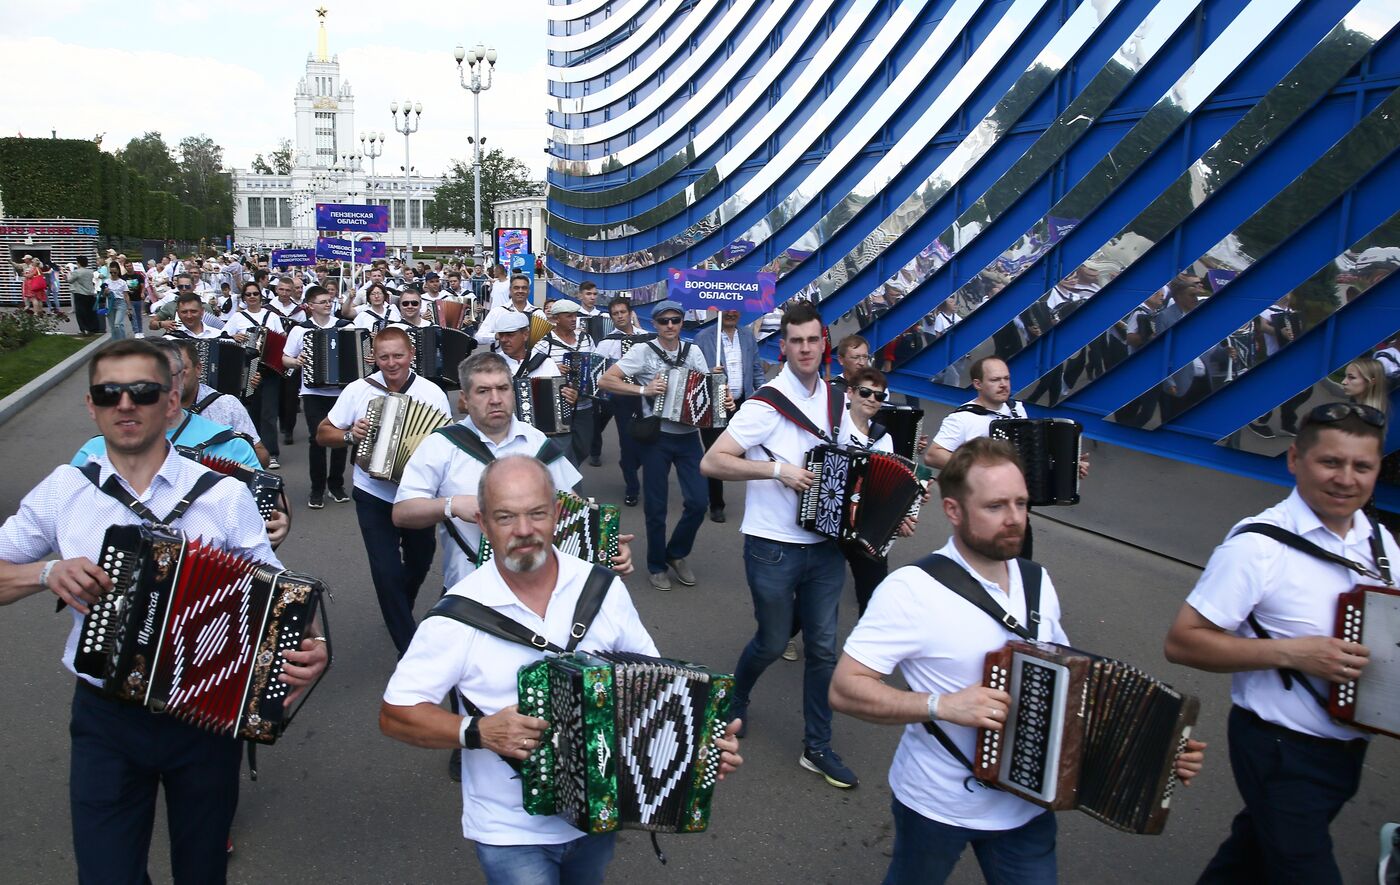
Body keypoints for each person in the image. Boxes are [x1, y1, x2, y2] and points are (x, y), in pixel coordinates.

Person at [0, 338, 325, 883]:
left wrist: (309, 647)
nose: (125, 405)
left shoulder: (222, 495)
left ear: (171, 401)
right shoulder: (66, 490)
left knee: (201, 870)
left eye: (143, 392)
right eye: (108, 393)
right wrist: (45, 572)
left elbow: (279, 597)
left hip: (205, 715)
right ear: (91, 406)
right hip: (106, 716)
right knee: (106, 874)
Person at [831, 438, 1204, 883]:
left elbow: (1071, 689)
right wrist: (942, 706)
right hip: (937, 803)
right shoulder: (912, 590)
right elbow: (846, 687)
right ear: (953, 511)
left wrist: (1155, 750)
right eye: (995, 506)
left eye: (1021, 503)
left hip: (1026, 808)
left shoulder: (1036, 580)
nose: (1014, 519)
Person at [379, 454, 742, 883]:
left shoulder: (600, 588)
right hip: (508, 830)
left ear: (556, 514)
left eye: (536, 513)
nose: (524, 530)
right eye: (505, 517)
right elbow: (395, 714)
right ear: (482, 522)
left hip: (598, 818)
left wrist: (696, 746)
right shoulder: (456, 617)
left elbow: (658, 685)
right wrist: (476, 732)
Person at [1164, 402, 1397, 885]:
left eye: (1362, 467)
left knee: (1249, 858)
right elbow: (1184, 642)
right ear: (1295, 460)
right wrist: (1294, 653)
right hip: (1278, 748)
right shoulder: (1257, 547)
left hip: (1346, 748)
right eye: (1330, 462)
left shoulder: (1379, 542)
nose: (1346, 479)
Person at [699, 301, 864, 789]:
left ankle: (818, 746)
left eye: (813, 339)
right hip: (772, 545)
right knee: (772, 641)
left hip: (826, 545)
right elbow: (714, 461)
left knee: (823, 649)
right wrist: (776, 469)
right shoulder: (764, 405)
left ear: (823, 343)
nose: (806, 348)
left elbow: (857, 456)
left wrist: (893, 507)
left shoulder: (837, 400)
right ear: (783, 346)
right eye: (797, 341)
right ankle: (738, 695)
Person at [315, 327, 451, 656]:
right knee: (386, 571)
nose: (391, 363)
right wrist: (349, 436)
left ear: (412, 355)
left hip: (417, 496)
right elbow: (322, 434)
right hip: (372, 493)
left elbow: (448, 446)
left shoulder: (432, 393)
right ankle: (410, 650)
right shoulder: (359, 390)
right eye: (384, 357)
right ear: (373, 358)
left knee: (420, 562)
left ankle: (398, 606)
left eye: (398, 356)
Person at [601, 299, 724, 590]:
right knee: (655, 507)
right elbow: (607, 381)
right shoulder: (643, 350)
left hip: (688, 437)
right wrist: (643, 388)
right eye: (664, 321)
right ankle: (656, 565)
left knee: (698, 502)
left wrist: (720, 392)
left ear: (682, 323)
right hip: (656, 437)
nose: (670, 325)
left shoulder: (693, 351)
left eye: (676, 320)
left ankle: (676, 553)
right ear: (655, 324)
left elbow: (706, 391)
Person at [924, 356, 1089, 557]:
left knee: (1019, 569)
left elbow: (1033, 455)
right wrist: (981, 469)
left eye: (1006, 379)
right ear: (978, 384)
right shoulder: (962, 418)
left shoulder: (1017, 410)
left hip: (1017, 513)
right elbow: (933, 455)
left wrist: (1068, 467)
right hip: (983, 514)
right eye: (995, 380)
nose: (1003, 385)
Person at [281, 286, 352, 508]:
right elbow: (285, 358)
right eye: (322, 301)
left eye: (329, 301)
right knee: (317, 439)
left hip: (341, 392)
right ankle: (317, 488)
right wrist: (296, 362)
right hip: (313, 392)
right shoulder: (300, 330)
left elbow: (359, 350)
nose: (327, 304)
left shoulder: (345, 327)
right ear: (310, 306)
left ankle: (336, 484)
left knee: (341, 439)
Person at [696, 308, 764, 523]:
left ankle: (762, 501)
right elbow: (693, 372)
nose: (731, 313)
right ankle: (716, 504)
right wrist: (709, 373)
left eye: (735, 309)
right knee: (714, 451)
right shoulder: (703, 337)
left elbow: (756, 369)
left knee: (752, 449)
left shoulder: (747, 336)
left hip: (742, 403)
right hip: (713, 403)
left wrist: (763, 397)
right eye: (726, 310)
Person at [592, 297, 653, 505]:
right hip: (622, 397)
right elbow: (596, 370)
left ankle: (630, 464)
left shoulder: (647, 337)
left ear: (630, 313)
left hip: (648, 394)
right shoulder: (607, 342)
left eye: (622, 312)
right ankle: (632, 487)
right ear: (611, 317)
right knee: (627, 442)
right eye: (615, 314)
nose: (619, 316)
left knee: (649, 440)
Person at [222, 282, 288, 469]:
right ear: (243, 298)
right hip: (247, 366)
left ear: (261, 296)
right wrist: (234, 337)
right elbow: (224, 335)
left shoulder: (272, 316)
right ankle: (254, 449)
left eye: (255, 294)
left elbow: (282, 338)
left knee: (269, 411)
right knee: (251, 408)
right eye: (248, 294)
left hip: (269, 369)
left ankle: (271, 452)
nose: (252, 297)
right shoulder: (237, 317)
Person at [532, 299, 596, 467]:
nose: (574, 319)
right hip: (557, 406)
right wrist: (552, 367)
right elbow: (530, 369)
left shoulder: (586, 339)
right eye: (569, 316)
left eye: (575, 315)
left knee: (584, 446)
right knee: (563, 449)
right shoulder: (544, 342)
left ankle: (569, 470)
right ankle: (568, 480)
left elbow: (596, 365)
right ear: (556, 318)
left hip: (584, 404)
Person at [475, 274, 542, 344]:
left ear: (529, 291)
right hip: (502, 354)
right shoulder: (498, 312)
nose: (520, 291)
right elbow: (478, 337)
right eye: (516, 288)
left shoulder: (538, 313)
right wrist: (498, 335)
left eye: (524, 288)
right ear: (510, 290)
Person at [66, 256, 101, 335]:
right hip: (90, 293)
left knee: (81, 312)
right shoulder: (90, 271)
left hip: (80, 293)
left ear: (78, 263)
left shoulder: (77, 272)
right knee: (90, 312)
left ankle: (84, 328)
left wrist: (67, 276)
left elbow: (70, 281)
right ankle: (93, 328)